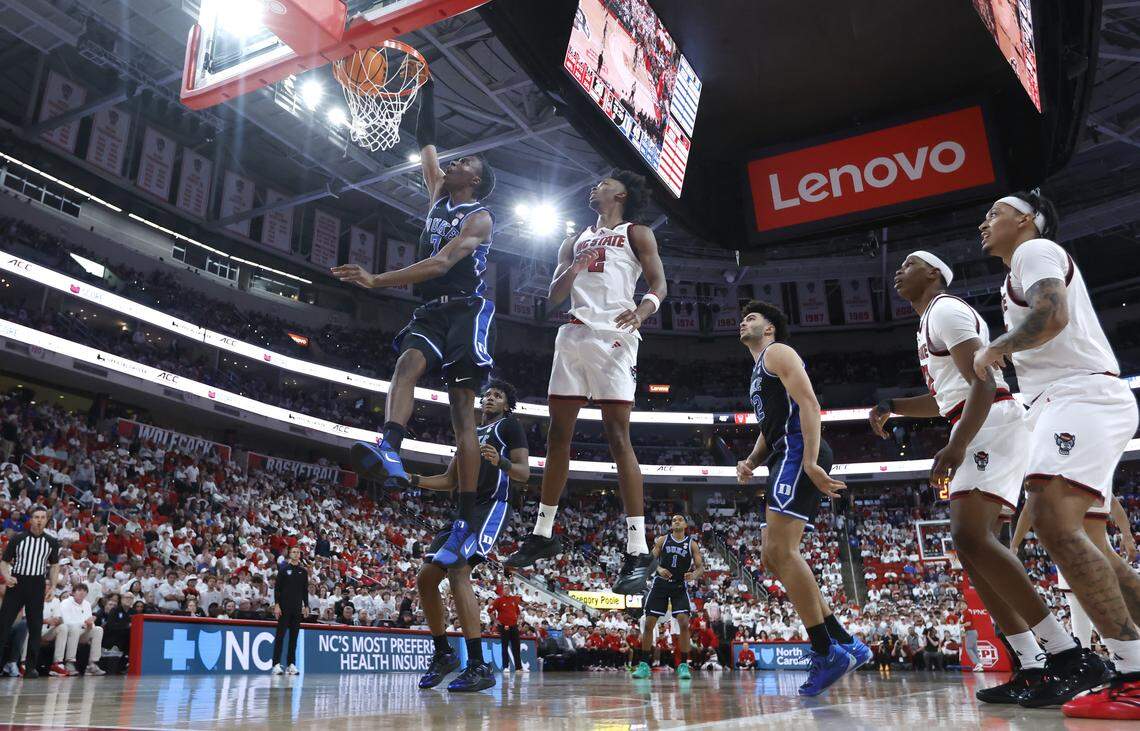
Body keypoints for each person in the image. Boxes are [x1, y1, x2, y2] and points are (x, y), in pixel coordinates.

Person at [873, 250, 1071, 701]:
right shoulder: (928, 322)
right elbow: (947, 396)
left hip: (990, 423)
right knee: (973, 549)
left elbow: (983, 381)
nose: (898, 272)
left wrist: (957, 444)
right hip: (976, 420)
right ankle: (1031, 662)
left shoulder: (945, 309)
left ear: (932, 273)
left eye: (907, 265)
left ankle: (1064, 651)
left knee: (971, 537)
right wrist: (895, 407)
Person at [975, 190, 1140, 717]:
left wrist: (997, 346)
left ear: (1025, 221)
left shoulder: (1034, 251)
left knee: (1051, 519)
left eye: (995, 213)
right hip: (1067, 400)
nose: (985, 222)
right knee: (1098, 547)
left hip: (1079, 395)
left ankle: (1132, 674)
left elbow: (1051, 316)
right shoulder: (1017, 268)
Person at [335, 75, 498, 566]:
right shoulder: (436, 194)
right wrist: (426, 87)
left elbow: (441, 265)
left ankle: (467, 517)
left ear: (475, 180)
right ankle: (390, 445)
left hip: (466, 311)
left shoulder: (479, 217)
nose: (456, 161)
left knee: (462, 415)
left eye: (467, 163)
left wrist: (376, 280)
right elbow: (425, 141)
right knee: (406, 365)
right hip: (429, 310)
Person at [506, 170, 668, 596]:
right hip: (574, 333)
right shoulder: (572, 239)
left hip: (615, 334)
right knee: (558, 435)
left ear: (622, 193)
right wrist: (572, 268)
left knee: (618, 438)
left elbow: (658, 284)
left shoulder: (637, 233)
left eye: (602, 183)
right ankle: (543, 533)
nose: (593, 187)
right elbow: (553, 297)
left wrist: (643, 311)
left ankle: (638, 549)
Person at [733, 301, 870, 696]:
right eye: (744, 317)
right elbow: (768, 426)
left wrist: (809, 460)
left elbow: (809, 402)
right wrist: (751, 461)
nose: (745, 320)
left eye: (753, 317)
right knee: (771, 555)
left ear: (771, 329)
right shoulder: (759, 368)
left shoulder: (778, 352)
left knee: (782, 550)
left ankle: (826, 651)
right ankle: (844, 641)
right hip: (782, 451)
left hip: (797, 450)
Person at [411, 380, 529, 693]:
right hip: (462, 511)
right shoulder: (470, 433)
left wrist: (500, 461)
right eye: (487, 394)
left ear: (506, 404)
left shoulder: (509, 426)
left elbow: (524, 473)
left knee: (459, 568)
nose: (490, 398)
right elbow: (449, 479)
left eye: (498, 395)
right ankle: (443, 654)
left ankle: (478, 664)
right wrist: (410, 478)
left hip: (490, 507)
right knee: (424, 579)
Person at [1012, 496, 1139, 649]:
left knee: (1119, 605)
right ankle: (1090, 656)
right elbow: (1029, 509)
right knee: (1079, 610)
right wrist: (1014, 545)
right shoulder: (1047, 481)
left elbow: (1113, 503)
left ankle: (1125, 656)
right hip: (1068, 551)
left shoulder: (1084, 476)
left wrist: (1127, 535)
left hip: (1094, 549)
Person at [632, 514, 704, 680]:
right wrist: (658, 569)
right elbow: (650, 559)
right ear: (671, 525)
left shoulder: (691, 544)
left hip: (679, 585)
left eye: (679, 519)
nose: (676, 521)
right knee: (649, 623)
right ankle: (644, 665)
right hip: (660, 585)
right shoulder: (663, 540)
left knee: (684, 622)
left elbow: (700, 568)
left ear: (686, 524)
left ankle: (684, 665)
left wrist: (693, 575)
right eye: (673, 520)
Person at [0, 505, 60, 678]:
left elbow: (55, 566)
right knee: (4, 624)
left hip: (37, 584)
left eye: (43, 517)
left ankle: (31, 667)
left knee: (35, 627)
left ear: (46, 520)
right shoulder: (18, 539)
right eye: (36, 517)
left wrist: (54, 587)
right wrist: (6, 576)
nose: (40, 520)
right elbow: (4, 561)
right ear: (31, 519)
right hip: (17, 583)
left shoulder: (51, 541)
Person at [271, 545, 308, 676]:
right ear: (290, 554)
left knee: (294, 637)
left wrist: (306, 605)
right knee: (280, 637)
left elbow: (305, 590)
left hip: (297, 609)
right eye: (294, 552)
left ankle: (291, 664)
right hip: (284, 608)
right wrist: (276, 605)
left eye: (298, 552)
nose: (296, 554)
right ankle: (275, 664)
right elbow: (277, 589)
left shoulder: (303, 572)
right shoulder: (283, 569)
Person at [58, 583, 104, 675]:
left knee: (98, 629)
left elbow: (89, 620)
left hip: (83, 631)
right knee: (74, 628)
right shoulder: (66, 603)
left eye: (84, 591)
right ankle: (69, 662)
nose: (82, 593)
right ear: (73, 593)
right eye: (79, 590)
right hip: (68, 631)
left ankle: (92, 664)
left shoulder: (87, 604)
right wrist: (83, 624)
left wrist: (90, 625)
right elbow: (66, 621)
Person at [490, 585, 523, 674]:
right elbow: (490, 610)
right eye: (505, 588)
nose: (507, 590)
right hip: (504, 626)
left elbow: (518, 612)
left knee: (516, 646)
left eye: (508, 588)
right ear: (502, 590)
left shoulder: (514, 600)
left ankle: (518, 667)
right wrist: (496, 621)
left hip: (514, 626)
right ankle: (505, 666)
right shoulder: (499, 600)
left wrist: (519, 621)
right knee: (504, 646)